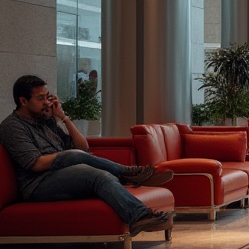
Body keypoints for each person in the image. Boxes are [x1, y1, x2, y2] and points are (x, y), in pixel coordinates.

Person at [0, 75, 173, 236]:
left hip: (63, 173)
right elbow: (35, 164)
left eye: (47, 96)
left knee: (93, 169)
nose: (46, 102)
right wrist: (70, 156)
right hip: (37, 184)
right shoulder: (12, 127)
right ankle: (134, 199)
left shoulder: (46, 121)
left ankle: (132, 191)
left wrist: (63, 117)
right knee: (96, 174)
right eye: (40, 98)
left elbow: (83, 147)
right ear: (23, 101)